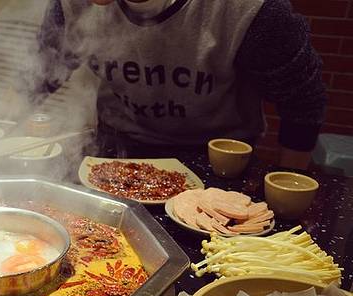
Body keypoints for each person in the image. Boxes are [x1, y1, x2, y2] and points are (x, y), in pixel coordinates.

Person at [31, 0, 326, 169]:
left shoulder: (248, 9)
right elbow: (37, 76)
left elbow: (303, 103)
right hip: (116, 151)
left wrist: (290, 188)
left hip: (216, 162)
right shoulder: (73, 4)